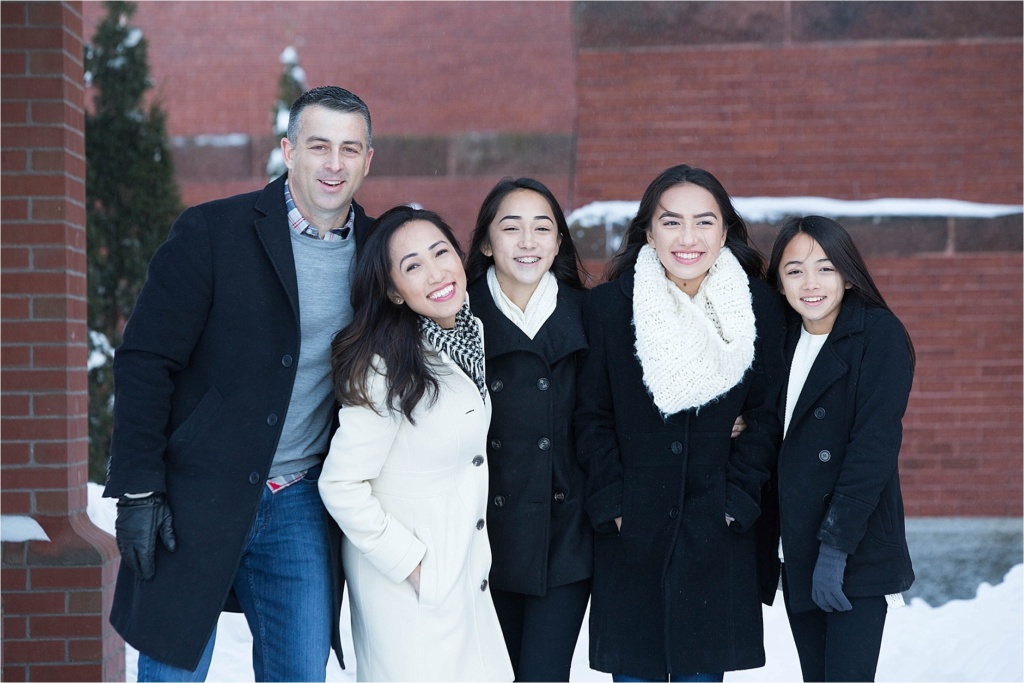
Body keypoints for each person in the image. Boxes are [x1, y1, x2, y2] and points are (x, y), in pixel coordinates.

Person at [103, 85, 374, 681]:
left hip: (300, 500)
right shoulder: (212, 232)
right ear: (289, 150)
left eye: (350, 149)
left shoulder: (378, 255)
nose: (334, 164)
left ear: (367, 160)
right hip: (194, 492)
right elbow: (146, 359)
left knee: (300, 672)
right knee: (173, 670)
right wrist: (140, 488)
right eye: (319, 145)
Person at [575, 164, 786, 681]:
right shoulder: (608, 308)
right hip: (633, 536)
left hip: (718, 535)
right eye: (671, 222)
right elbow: (591, 416)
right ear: (649, 230)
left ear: (725, 230)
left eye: (704, 222)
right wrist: (617, 507)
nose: (687, 238)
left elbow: (766, 417)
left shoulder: (760, 308)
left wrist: (735, 503)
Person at [318, 206, 514, 682]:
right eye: (412, 266)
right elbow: (341, 483)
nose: (435, 273)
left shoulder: (466, 335)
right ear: (393, 291)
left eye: (440, 252)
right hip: (410, 590)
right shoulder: (385, 365)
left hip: (464, 578)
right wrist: (415, 566)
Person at [763, 216, 915, 682]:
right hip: (797, 548)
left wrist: (835, 551)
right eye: (794, 271)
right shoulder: (780, 341)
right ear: (780, 282)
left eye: (825, 268)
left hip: (855, 548)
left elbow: (872, 450)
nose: (810, 284)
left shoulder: (878, 335)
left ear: (848, 274)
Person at [463, 177, 592, 681]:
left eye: (543, 227)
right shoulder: (458, 315)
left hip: (565, 536)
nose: (528, 241)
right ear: (486, 243)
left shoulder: (589, 314)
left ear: (559, 242)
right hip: (479, 536)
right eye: (511, 227)